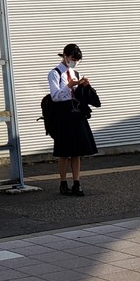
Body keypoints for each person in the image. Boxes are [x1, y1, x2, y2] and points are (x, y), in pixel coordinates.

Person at [47, 43, 99, 195]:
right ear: (65, 56)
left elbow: (78, 94)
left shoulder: (75, 73)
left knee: (77, 151)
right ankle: (63, 183)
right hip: (63, 114)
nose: (74, 62)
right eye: (72, 59)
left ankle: (77, 182)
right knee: (64, 152)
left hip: (76, 113)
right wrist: (68, 86)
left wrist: (84, 86)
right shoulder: (55, 73)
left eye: (77, 60)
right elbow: (55, 96)